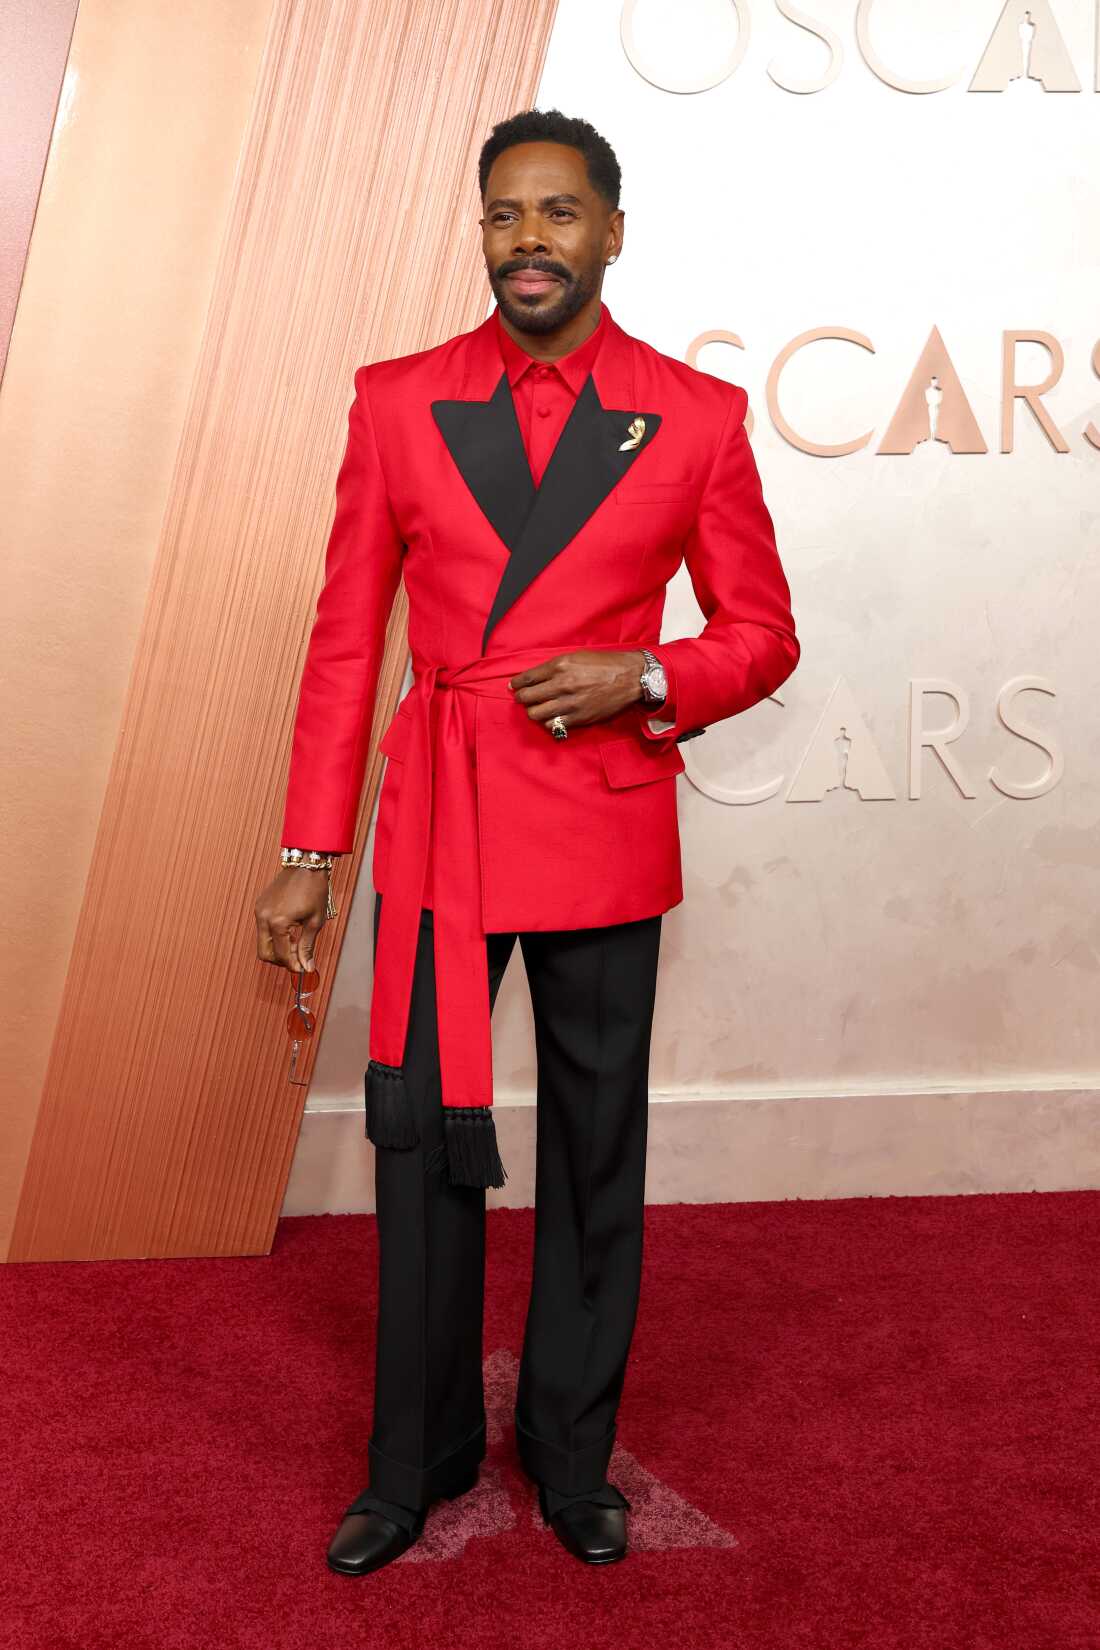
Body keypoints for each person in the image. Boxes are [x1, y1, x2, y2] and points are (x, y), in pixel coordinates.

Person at [254, 107, 800, 1574]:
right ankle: (414, 1454)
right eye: (505, 214)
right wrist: (314, 851)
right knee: (420, 1140)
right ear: (481, 230)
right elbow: (342, 643)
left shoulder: (693, 415)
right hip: (440, 822)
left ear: (614, 232)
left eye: (560, 214)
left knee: (594, 1145)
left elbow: (764, 634)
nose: (530, 240)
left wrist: (652, 673)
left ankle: (571, 1454)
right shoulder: (397, 399)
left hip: (602, 820)